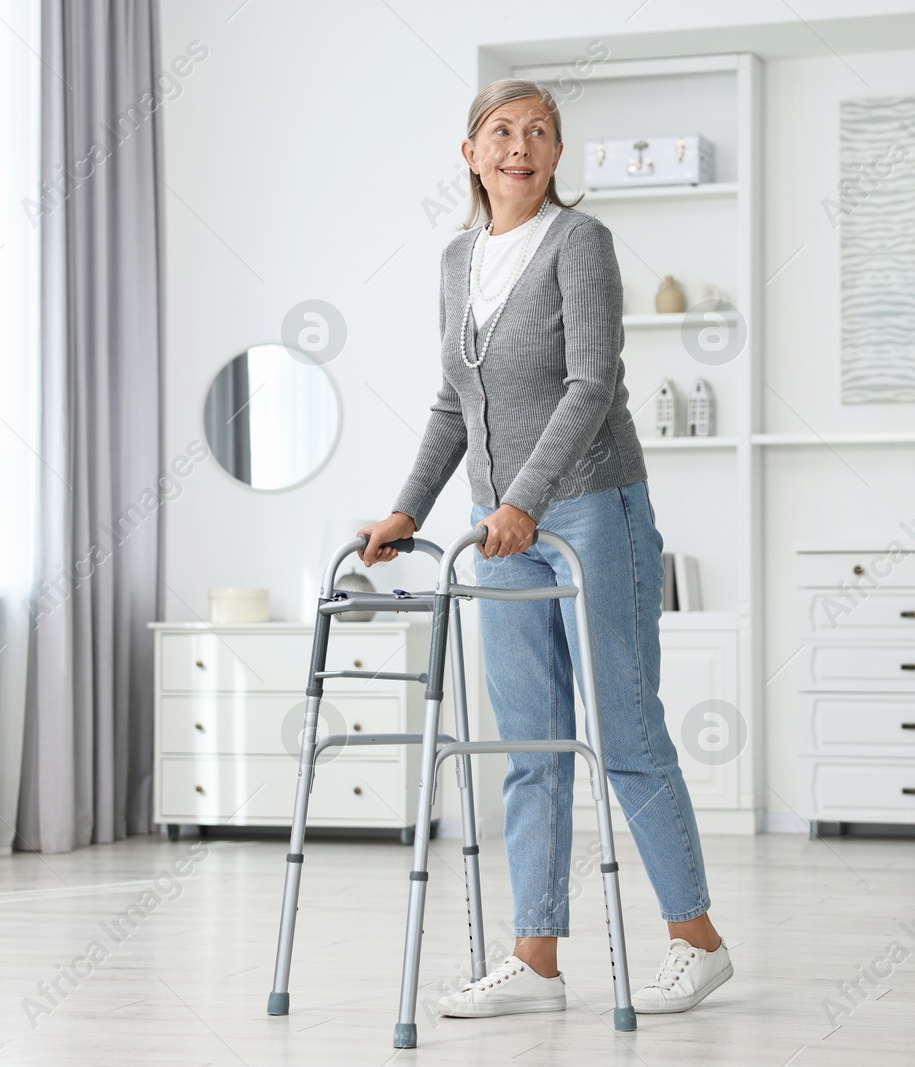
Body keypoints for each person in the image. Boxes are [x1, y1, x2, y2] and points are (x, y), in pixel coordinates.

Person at [356, 79, 732, 1019]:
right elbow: (455, 403)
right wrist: (407, 510)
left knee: (625, 729)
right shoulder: (456, 260)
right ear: (470, 152)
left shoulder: (581, 243)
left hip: (593, 510)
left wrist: (527, 497)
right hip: (500, 532)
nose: (518, 146)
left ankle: (698, 941)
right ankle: (537, 957)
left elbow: (591, 383)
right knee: (529, 743)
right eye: (500, 131)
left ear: (557, 156)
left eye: (538, 133)